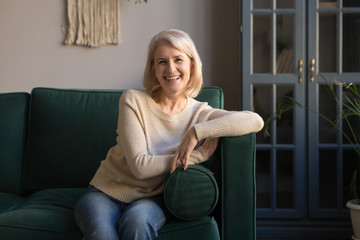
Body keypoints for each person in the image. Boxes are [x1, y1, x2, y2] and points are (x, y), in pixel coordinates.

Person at [74, 29, 264, 240]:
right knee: (102, 235)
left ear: (191, 65)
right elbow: (140, 167)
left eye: (178, 59)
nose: (170, 68)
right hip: (105, 193)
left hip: (153, 199)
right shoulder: (132, 100)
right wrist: (196, 157)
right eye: (162, 62)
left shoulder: (201, 113)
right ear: (154, 69)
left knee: (137, 223)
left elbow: (255, 120)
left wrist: (196, 131)